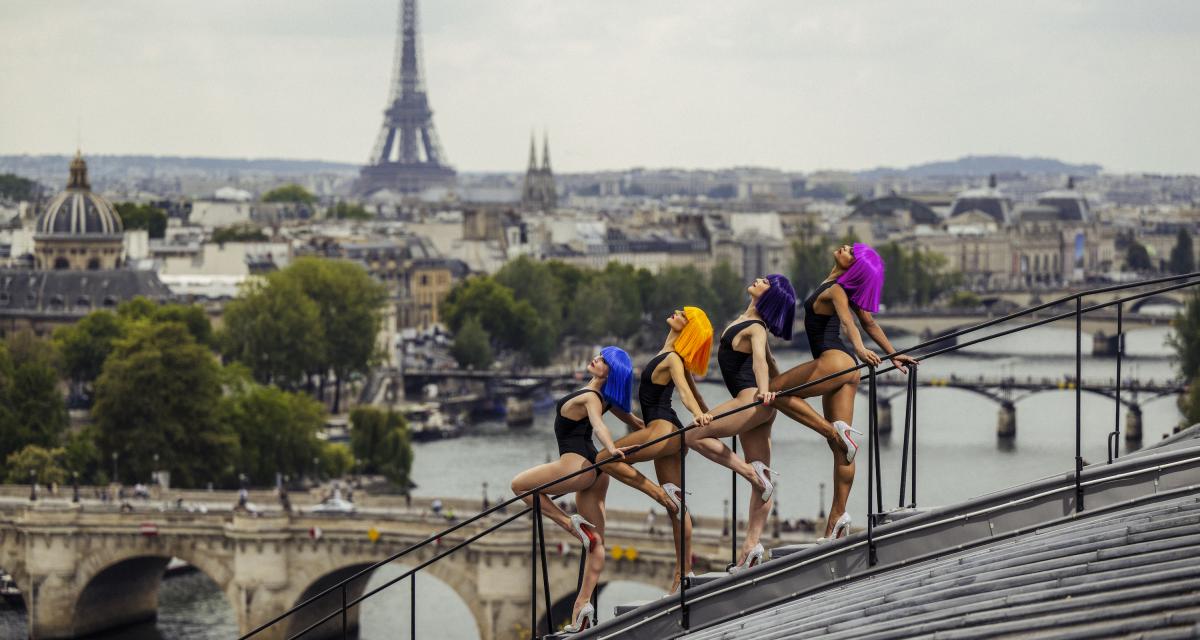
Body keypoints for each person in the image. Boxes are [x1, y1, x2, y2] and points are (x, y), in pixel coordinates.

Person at [769, 243, 916, 540]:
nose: (845, 247)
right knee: (842, 454)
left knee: (776, 391)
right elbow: (869, 323)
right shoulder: (842, 288)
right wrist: (893, 354)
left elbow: (850, 324)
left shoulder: (836, 288)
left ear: (854, 267)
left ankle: (834, 432)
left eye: (852, 252)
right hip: (846, 370)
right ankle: (838, 517)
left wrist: (861, 349)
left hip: (834, 360)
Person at [510, 347, 639, 634]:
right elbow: (633, 421)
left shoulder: (593, 398)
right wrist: (651, 429)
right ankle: (581, 607)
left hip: (575, 464)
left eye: (604, 361)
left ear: (611, 372)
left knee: (519, 486)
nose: (597, 359)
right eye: (600, 355)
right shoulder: (607, 399)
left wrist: (613, 448)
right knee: (597, 542)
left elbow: (597, 425)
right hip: (597, 472)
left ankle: (570, 524)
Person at [595, 306, 715, 595]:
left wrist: (699, 415)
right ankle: (682, 572)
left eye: (683, 315)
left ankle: (657, 494)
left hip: (662, 429)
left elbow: (686, 394)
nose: (676, 312)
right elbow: (693, 391)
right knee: (677, 508)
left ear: (687, 329)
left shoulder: (672, 357)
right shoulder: (672, 356)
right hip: (669, 432)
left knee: (602, 459)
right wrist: (705, 410)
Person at [684, 274, 796, 571]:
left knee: (691, 436)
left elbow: (760, 361)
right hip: (759, 406)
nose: (759, 279)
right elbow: (771, 363)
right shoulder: (748, 322)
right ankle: (751, 546)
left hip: (751, 401)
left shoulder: (756, 328)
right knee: (764, 480)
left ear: (769, 297)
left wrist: (763, 392)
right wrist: (772, 389)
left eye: (766, 283)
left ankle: (748, 472)